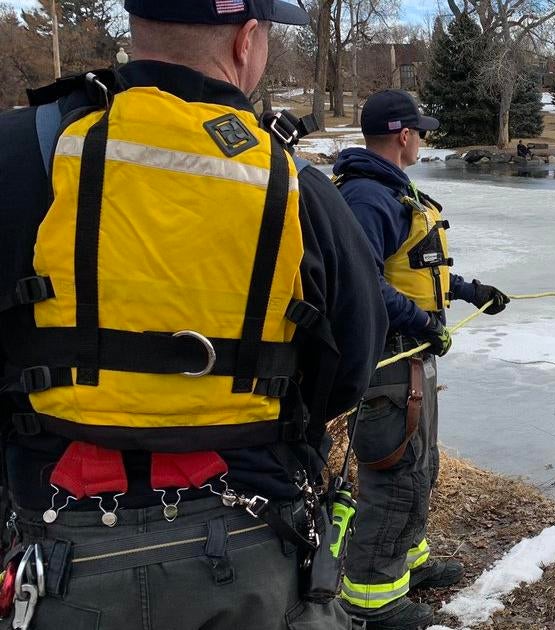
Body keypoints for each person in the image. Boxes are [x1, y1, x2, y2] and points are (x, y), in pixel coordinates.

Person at [0, 1, 388, 628]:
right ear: (247, 41)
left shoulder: (22, 151)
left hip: (58, 546)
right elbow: (352, 361)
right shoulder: (295, 183)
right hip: (249, 540)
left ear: (138, 27)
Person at [331, 90, 510, 630]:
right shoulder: (368, 198)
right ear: (404, 135)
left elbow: (411, 268)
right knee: (394, 472)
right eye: (421, 131)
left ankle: (407, 562)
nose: (424, 140)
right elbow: (360, 283)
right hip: (386, 360)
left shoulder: (390, 193)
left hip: (409, 357)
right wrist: (420, 323)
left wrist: (468, 290)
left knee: (420, 465)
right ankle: (372, 600)